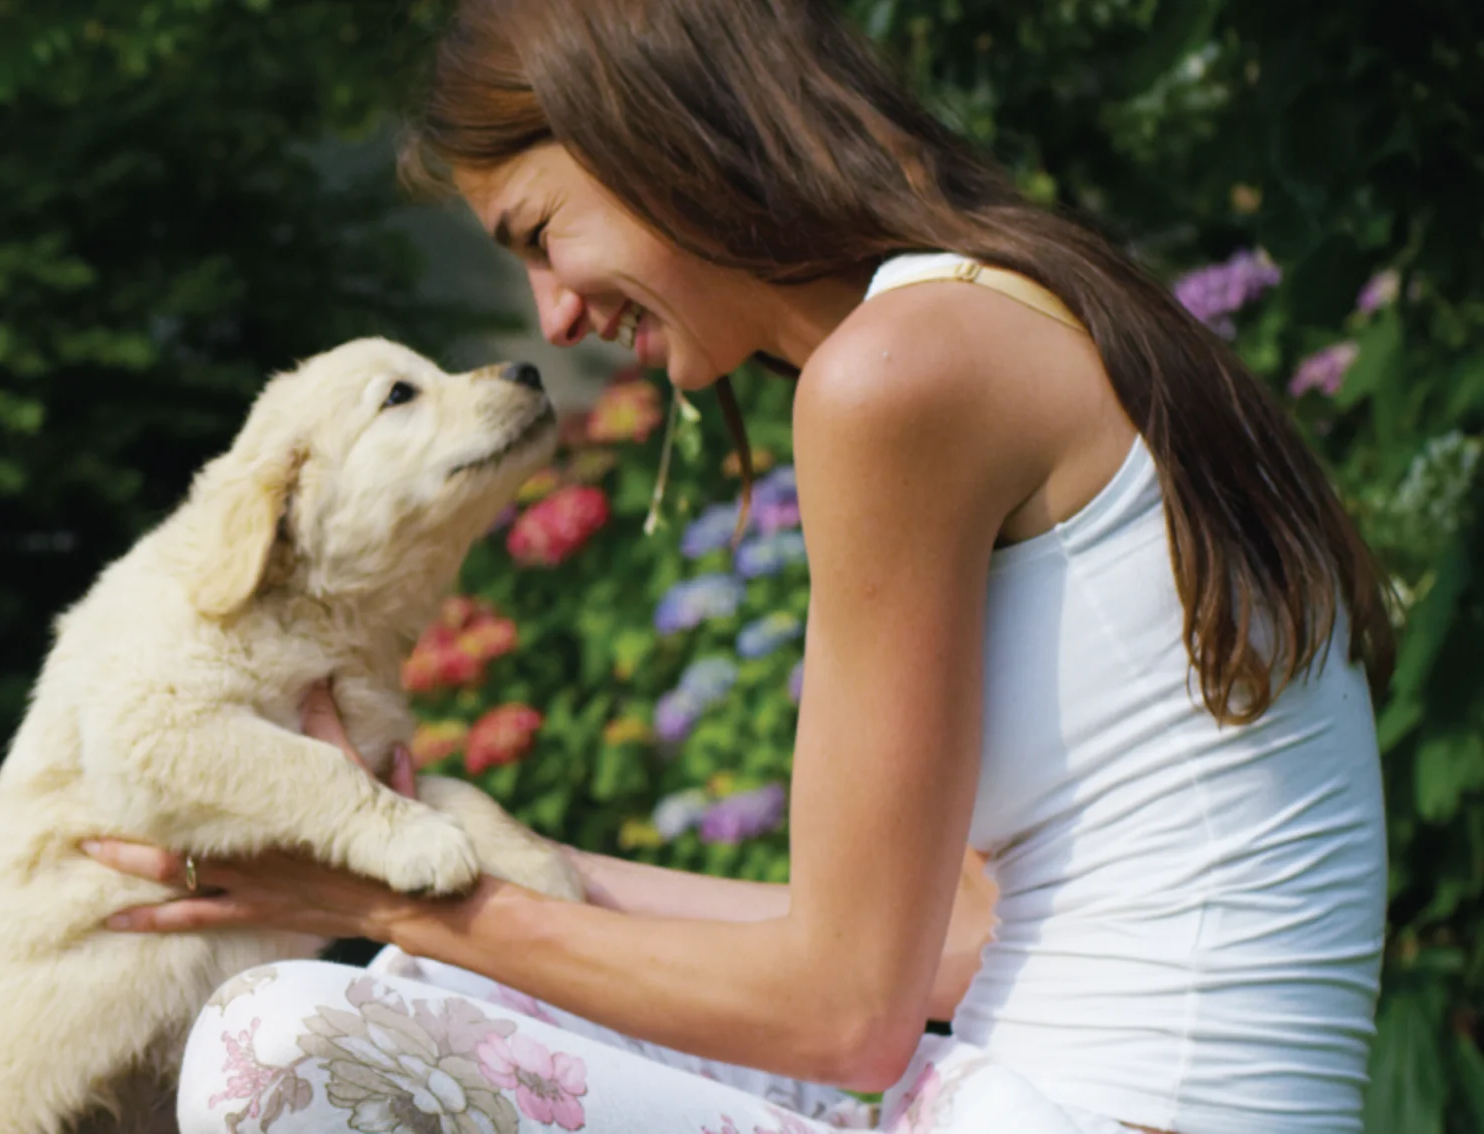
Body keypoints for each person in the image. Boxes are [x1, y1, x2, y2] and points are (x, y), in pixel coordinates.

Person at [76, 0, 1395, 1130]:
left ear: (650, 131)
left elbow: (842, 1013)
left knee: (281, 1040)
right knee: (454, 985)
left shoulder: (897, 375)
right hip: (1054, 1087)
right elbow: (968, 936)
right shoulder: (1021, 308)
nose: (553, 317)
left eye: (540, 233)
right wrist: (473, 849)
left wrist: (378, 889)